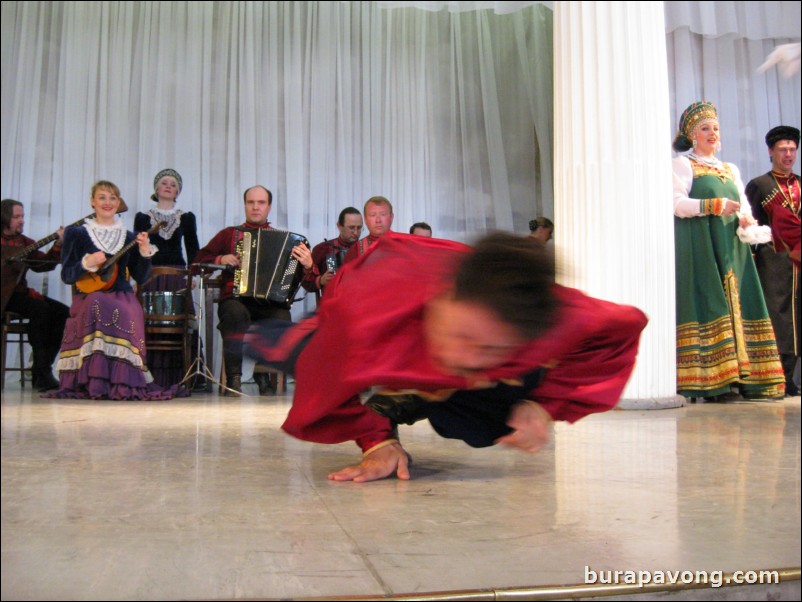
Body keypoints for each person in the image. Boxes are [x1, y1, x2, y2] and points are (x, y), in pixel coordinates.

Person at [245, 231, 648, 483]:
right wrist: (376, 441)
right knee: (279, 346)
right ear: (446, 296)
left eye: (489, 349)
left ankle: (409, 397)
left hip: (469, 373)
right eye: (461, 335)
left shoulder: (556, 316)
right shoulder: (369, 314)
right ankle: (394, 397)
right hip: (382, 314)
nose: (464, 358)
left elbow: (621, 329)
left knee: (478, 425)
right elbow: (325, 386)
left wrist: (543, 405)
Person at [671, 101, 785, 401]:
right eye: (704, 128)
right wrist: (714, 206)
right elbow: (676, 204)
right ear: (692, 135)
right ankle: (714, 384)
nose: (712, 133)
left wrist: (747, 219)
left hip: (732, 243)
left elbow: (744, 207)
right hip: (702, 242)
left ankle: (749, 379)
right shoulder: (683, 164)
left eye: (715, 128)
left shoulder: (729, 168)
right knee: (711, 300)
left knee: (742, 300)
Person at [44, 180, 188, 400]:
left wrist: (144, 251)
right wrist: (86, 262)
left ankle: (121, 380)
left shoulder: (128, 236)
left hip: (121, 294)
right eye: (102, 197)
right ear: (92, 201)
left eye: (113, 198)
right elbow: (67, 275)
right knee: (97, 302)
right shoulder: (77, 233)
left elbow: (141, 276)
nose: (108, 202)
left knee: (130, 310)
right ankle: (93, 381)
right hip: (88, 295)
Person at [193, 185, 317, 395]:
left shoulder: (288, 241)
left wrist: (308, 265)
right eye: (251, 202)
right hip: (235, 299)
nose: (255, 207)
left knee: (281, 317)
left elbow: (307, 283)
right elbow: (197, 262)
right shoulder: (229, 235)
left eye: (261, 203)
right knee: (234, 313)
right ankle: (233, 379)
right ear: (245, 205)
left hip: (270, 302)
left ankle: (266, 378)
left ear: (268, 207)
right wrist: (220, 259)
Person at [745, 125, 801, 396]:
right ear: (771, 151)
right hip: (772, 260)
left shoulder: (801, 183)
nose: (788, 154)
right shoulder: (759, 185)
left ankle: (791, 377)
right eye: (783, 149)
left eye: (792, 149)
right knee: (777, 314)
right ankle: (775, 376)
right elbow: (751, 225)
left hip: (798, 260)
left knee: (797, 314)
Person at [134, 168, 200, 387]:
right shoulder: (143, 217)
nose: (168, 186)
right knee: (149, 323)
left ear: (178, 191)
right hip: (150, 275)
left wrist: (194, 273)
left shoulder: (187, 217)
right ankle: (147, 374)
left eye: (173, 184)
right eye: (164, 183)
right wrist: (137, 276)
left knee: (179, 324)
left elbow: (192, 248)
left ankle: (181, 376)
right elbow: (136, 249)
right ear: (156, 189)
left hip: (177, 275)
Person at [1, 199, 70, 391]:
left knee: (63, 313)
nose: (22, 220)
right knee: (40, 309)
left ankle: (42, 369)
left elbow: (43, 265)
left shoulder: (24, 243)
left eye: (22, 216)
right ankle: (42, 372)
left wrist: (58, 244)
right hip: (6, 298)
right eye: (16, 217)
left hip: (19, 295)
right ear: (5, 217)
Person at [303, 206, 363, 296]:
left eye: (359, 228)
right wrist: (321, 280)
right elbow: (306, 282)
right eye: (351, 227)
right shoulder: (323, 249)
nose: (355, 232)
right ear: (339, 226)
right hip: (333, 305)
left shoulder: (367, 249)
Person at [342, 196, 394, 263]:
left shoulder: (403, 246)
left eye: (383, 214)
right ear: (365, 219)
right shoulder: (356, 250)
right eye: (373, 215)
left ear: (391, 217)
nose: (378, 220)